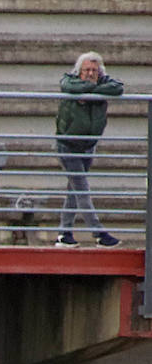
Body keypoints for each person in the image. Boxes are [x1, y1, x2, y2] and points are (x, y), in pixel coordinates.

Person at [55, 51, 124, 247]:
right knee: (82, 190)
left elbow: (118, 88)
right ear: (79, 71)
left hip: (88, 146)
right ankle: (99, 233)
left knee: (74, 191)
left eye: (94, 70)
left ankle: (64, 234)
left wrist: (90, 91)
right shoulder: (70, 81)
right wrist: (94, 90)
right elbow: (67, 86)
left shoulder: (103, 83)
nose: (90, 73)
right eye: (86, 70)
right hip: (68, 146)